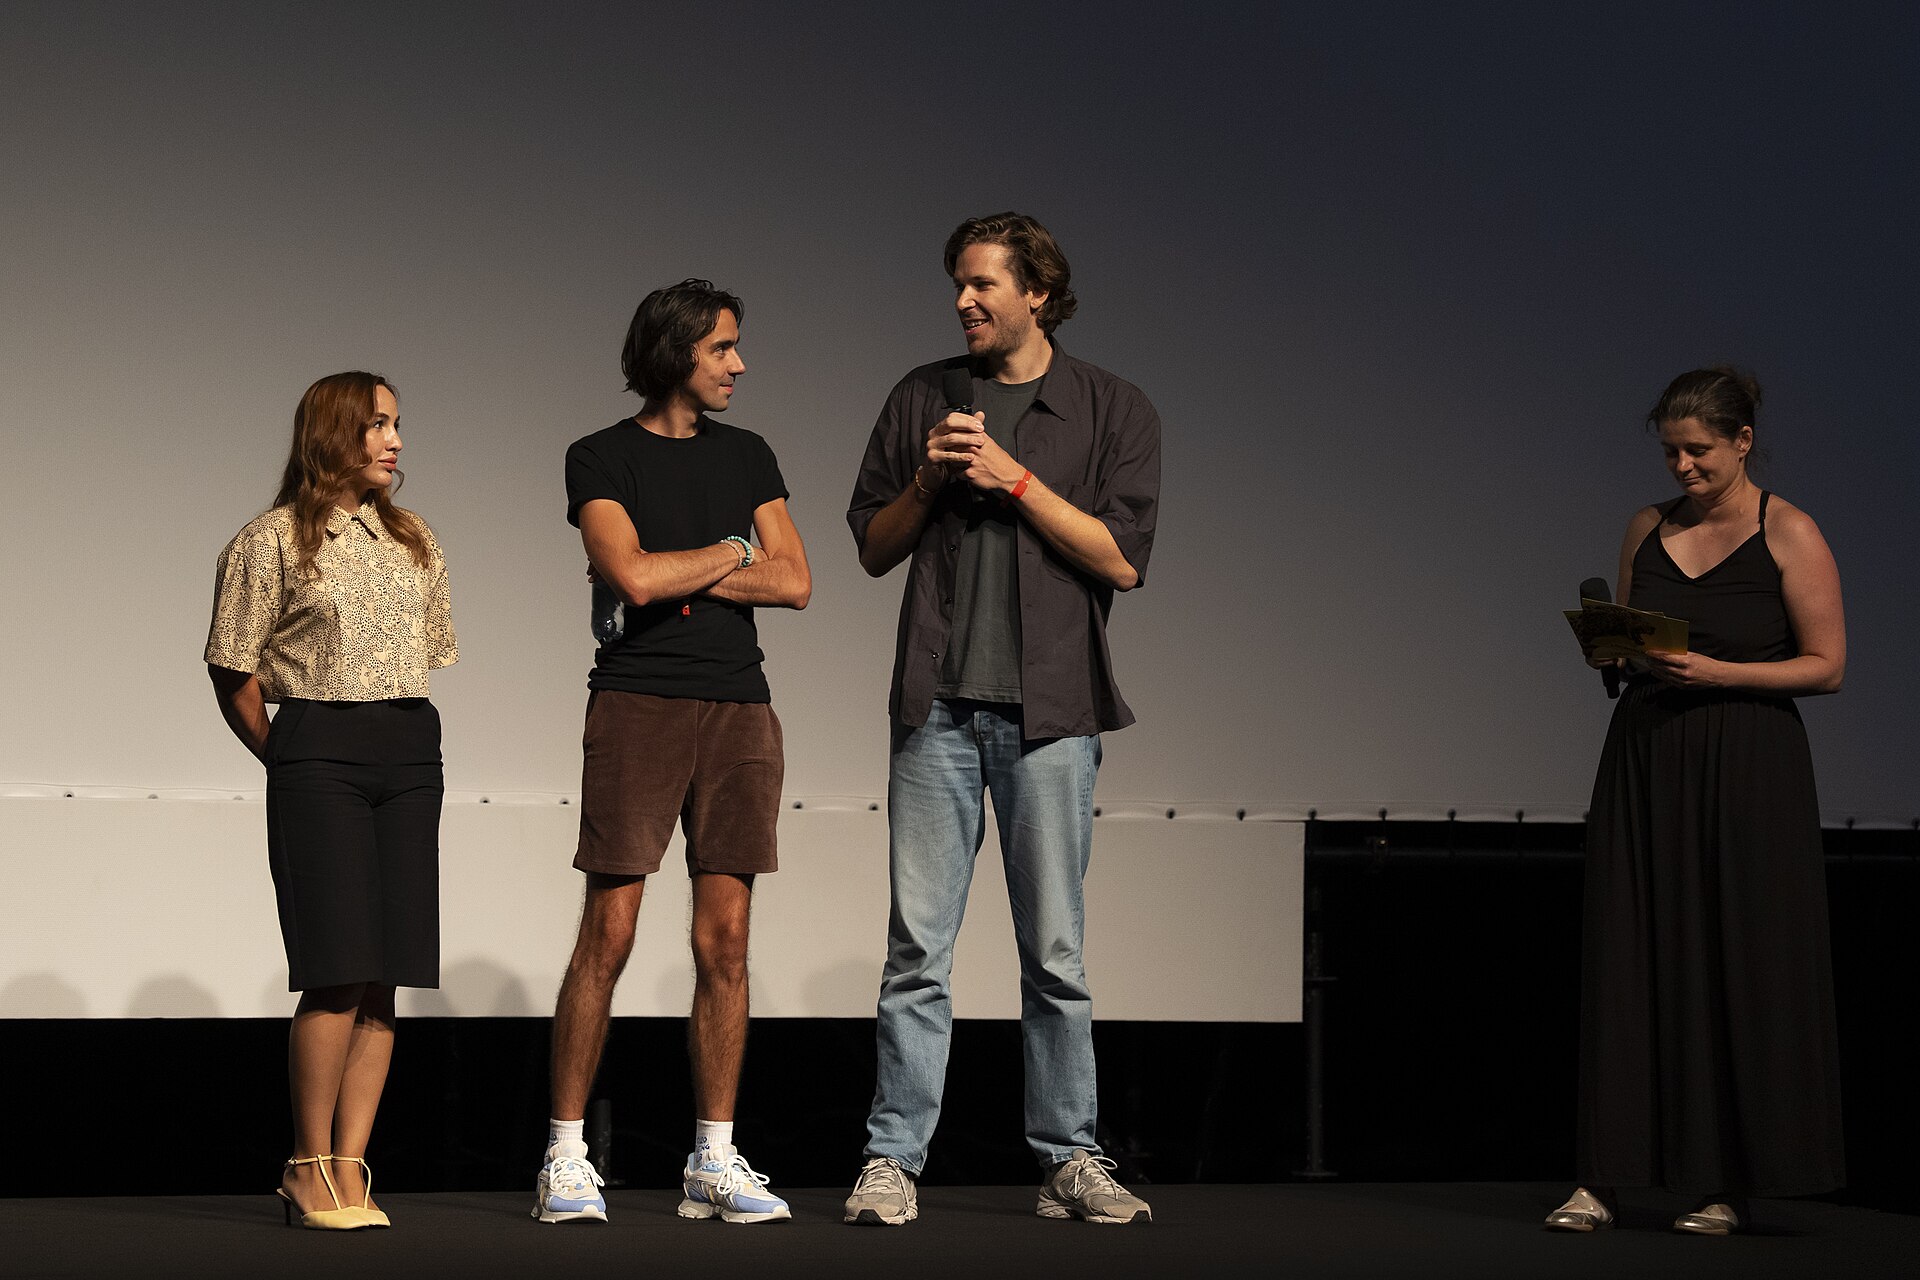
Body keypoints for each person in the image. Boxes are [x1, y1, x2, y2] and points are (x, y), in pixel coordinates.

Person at [843, 213, 1159, 1225]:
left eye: (983, 284)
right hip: (935, 710)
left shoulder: (1111, 407)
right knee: (916, 951)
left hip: (1052, 714)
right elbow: (872, 546)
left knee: (1055, 953)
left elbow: (1121, 558)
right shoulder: (921, 396)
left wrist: (1015, 480)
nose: (964, 301)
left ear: (1039, 292)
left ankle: (1069, 1155)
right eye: (958, 286)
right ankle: (893, 1157)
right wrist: (935, 474)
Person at [533, 279, 810, 1227]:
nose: (738, 364)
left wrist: (705, 562)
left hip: (740, 710)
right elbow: (633, 575)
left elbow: (799, 580)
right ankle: (565, 1155)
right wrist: (736, 552)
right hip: (638, 705)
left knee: (724, 941)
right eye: (723, 347)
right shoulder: (599, 455)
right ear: (677, 352)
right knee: (607, 933)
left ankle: (714, 1158)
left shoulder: (750, 453)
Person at [1549, 368, 1846, 1235]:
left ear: (1742, 441)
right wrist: (1610, 651)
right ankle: (1603, 1176)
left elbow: (1826, 666)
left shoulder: (1788, 530)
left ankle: (1725, 1185)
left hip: (1749, 762)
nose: (1682, 466)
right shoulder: (1647, 526)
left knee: (1734, 959)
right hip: (1648, 753)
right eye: (1672, 451)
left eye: (1698, 451)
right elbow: (1631, 637)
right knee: (1629, 952)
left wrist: (1722, 673)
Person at [205, 371, 457, 1231]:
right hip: (319, 752)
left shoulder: (414, 539)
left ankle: (352, 1167)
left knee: (386, 976)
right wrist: (290, 758)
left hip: (409, 752)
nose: (393, 440)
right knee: (336, 971)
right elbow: (233, 670)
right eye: (376, 425)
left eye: (396, 425)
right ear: (331, 435)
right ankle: (306, 1166)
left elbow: (427, 652)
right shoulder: (269, 541)